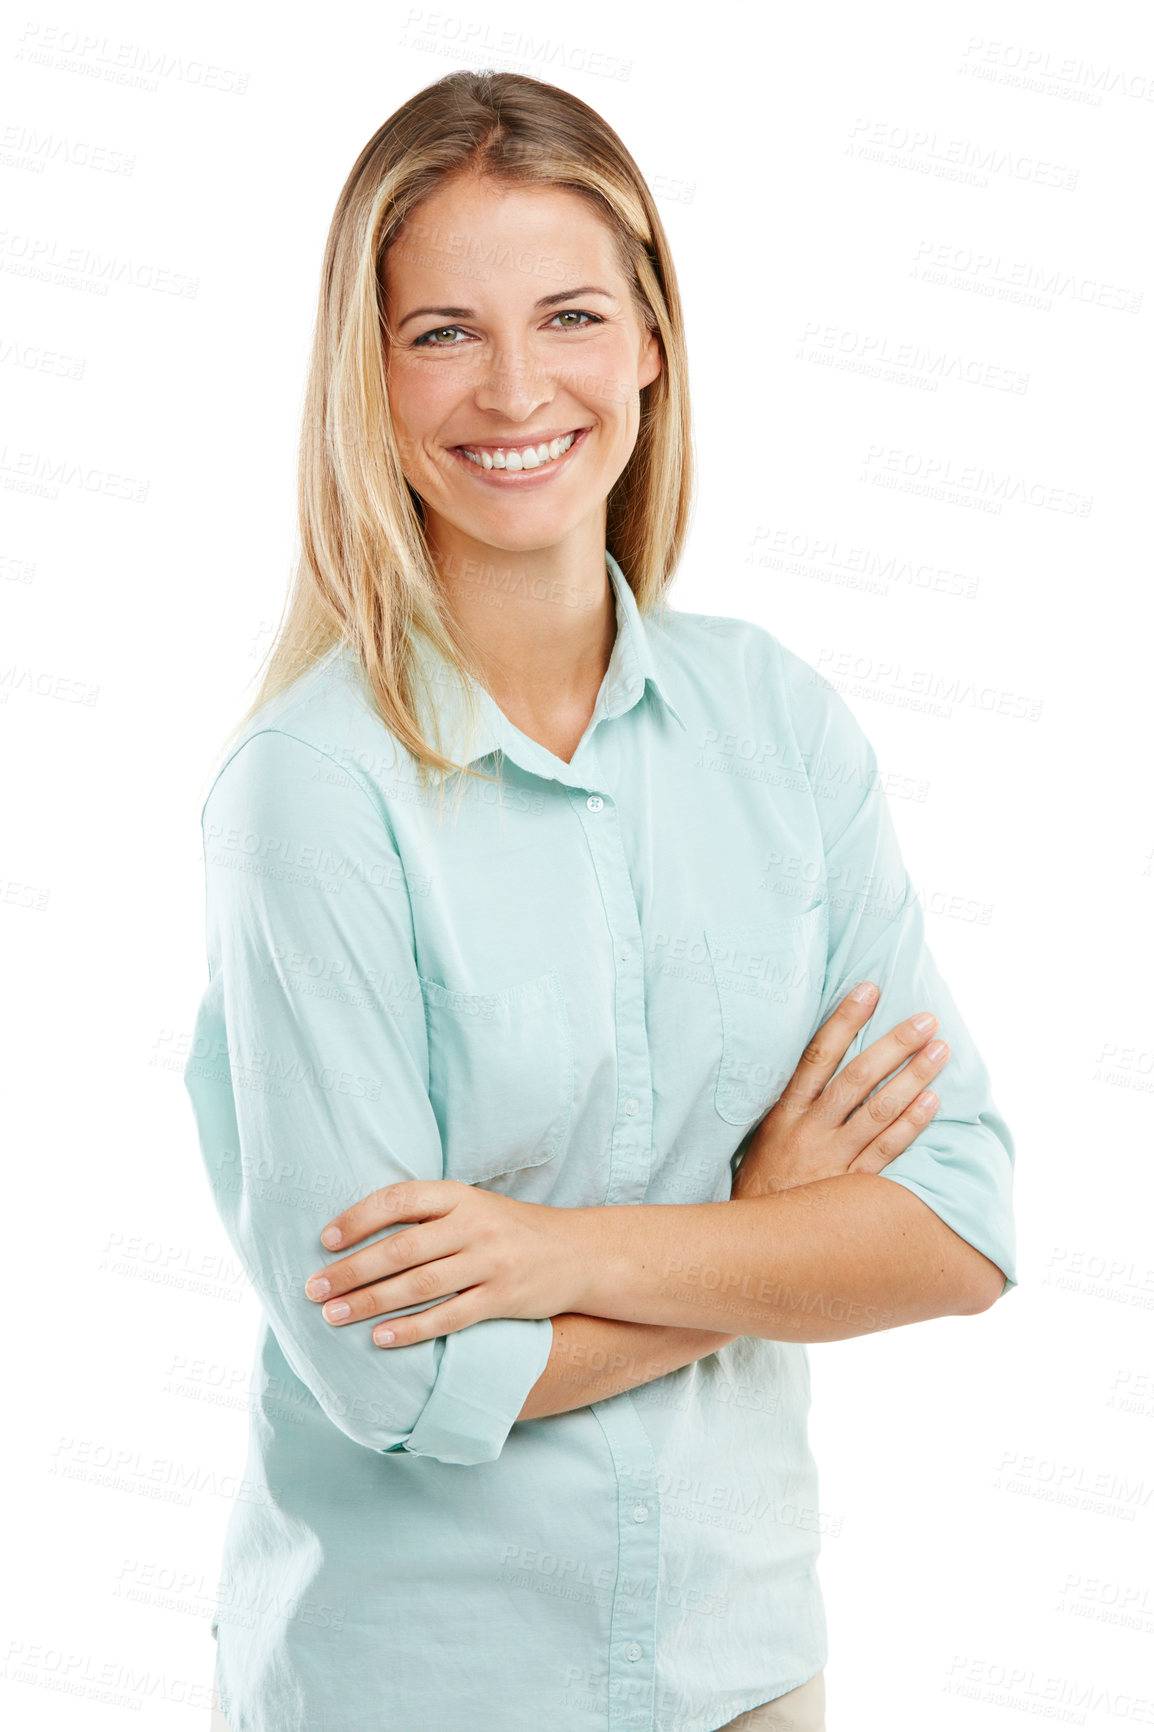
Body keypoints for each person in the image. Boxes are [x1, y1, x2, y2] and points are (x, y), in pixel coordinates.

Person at [185, 70, 1016, 1732]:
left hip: (743, 1677)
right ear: (366, 371)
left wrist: (555, 1256)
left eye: (567, 315)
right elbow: (395, 1373)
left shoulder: (776, 726)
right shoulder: (314, 790)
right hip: (419, 1691)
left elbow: (954, 1228)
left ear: (649, 343)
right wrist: (765, 1233)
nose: (514, 389)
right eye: (439, 331)